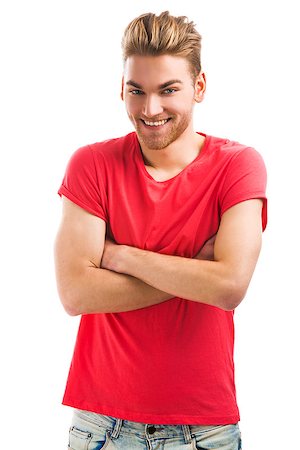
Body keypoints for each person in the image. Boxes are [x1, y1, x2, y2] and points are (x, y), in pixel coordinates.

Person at [54, 10, 267, 450]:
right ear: (122, 90)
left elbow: (229, 286)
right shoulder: (91, 165)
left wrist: (119, 256)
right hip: (101, 427)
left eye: (168, 90)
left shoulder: (238, 166)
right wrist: (195, 275)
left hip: (204, 431)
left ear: (199, 87)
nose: (150, 110)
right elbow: (75, 294)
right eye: (138, 91)